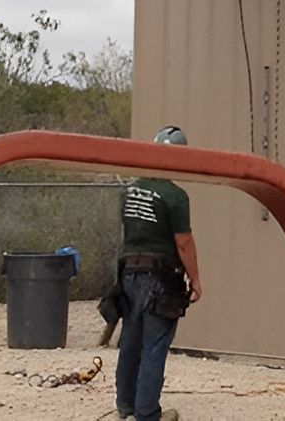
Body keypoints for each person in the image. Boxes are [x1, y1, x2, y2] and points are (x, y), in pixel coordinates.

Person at [112, 125, 202, 421]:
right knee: (154, 344)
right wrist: (196, 279)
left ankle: (125, 407)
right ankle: (147, 414)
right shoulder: (175, 196)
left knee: (131, 341)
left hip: (128, 274)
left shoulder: (129, 191)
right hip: (160, 278)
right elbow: (183, 242)